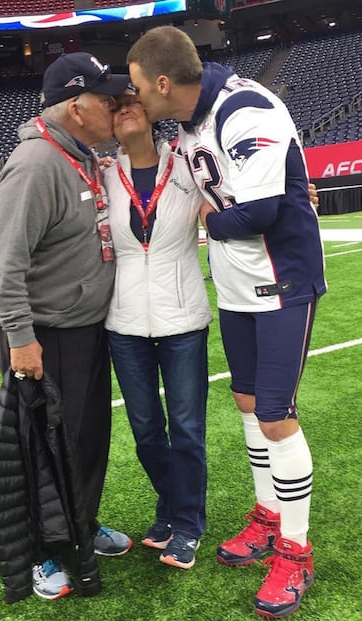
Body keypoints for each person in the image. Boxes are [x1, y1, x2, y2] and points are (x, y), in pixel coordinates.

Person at [127, 26, 326, 618]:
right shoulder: (188, 125)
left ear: (164, 83)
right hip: (238, 290)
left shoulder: (246, 106)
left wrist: (215, 221)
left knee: (275, 414)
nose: (135, 97)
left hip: (283, 282)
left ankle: (297, 551)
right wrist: (224, 211)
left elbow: (262, 210)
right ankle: (267, 517)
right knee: (246, 403)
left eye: (138, 87)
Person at [0, 52, 132, 601]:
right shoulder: (36, 164)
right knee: (42, 450)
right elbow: (3, 265)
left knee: (86, 441)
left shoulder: (80, 155)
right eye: (107, 100)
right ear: (76, 107)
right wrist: (22, 339)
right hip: (45, 334)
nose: (115, 108)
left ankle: (80, 525)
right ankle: (47, 551)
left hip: (85, 329)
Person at [103, 93, 212, 569]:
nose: (125, 109)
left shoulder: (187, 166)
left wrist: (298, 195)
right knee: (147, 431)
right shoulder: (103, 173)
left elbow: (231, 197)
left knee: (187, 431)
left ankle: (187, 524)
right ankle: (171, 507)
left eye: (133, 102)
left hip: (183, 318)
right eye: (116, 106)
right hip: (124, 322)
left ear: (151, 113)